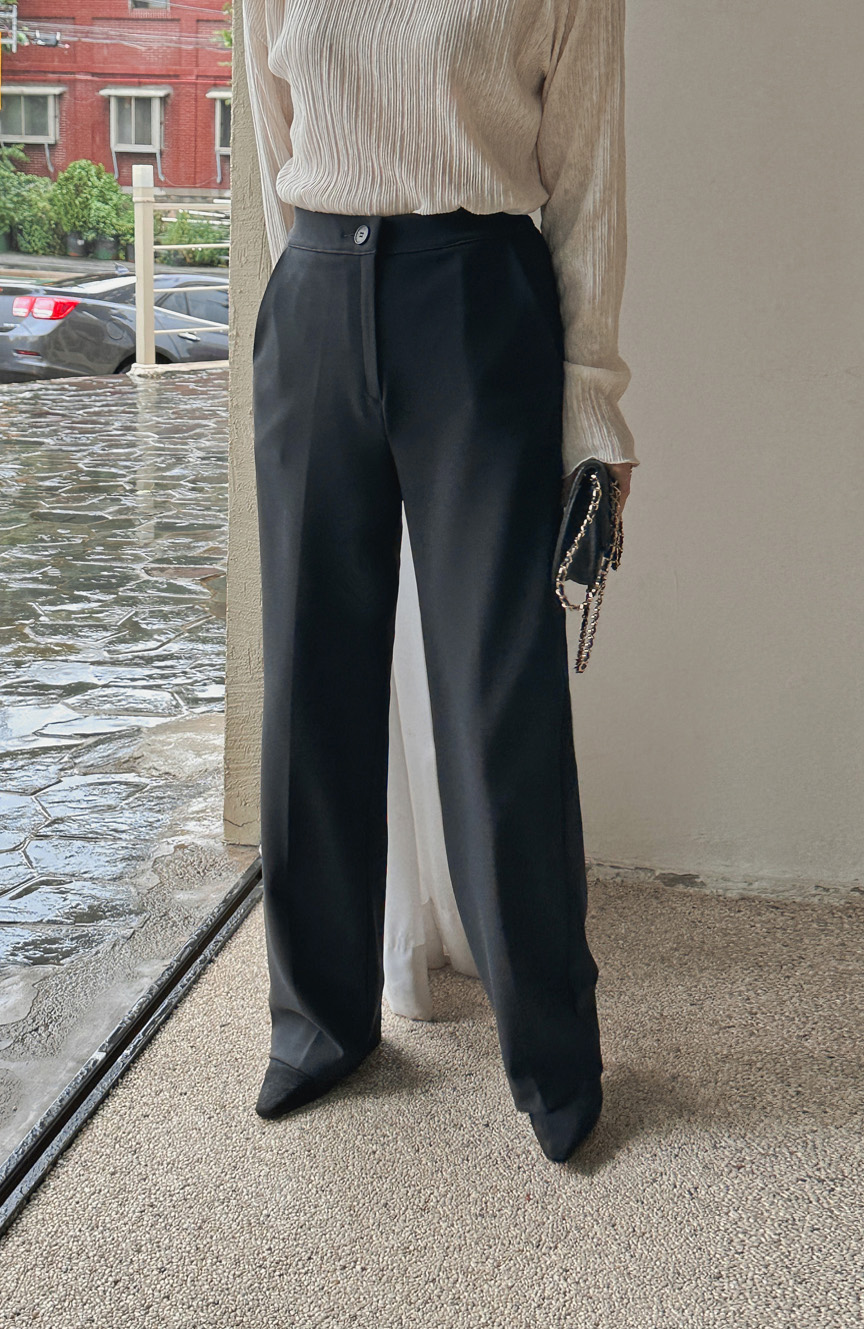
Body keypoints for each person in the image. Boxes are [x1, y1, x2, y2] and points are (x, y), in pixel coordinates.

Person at [243, 0, 639, 1164]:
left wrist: (592, 402)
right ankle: (320, 1022)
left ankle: (553, 1050)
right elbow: (273, 139)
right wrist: (309, 289)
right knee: (309, 682)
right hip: (316, 298)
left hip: (478, 304)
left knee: (498, 696)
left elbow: (588, 180)